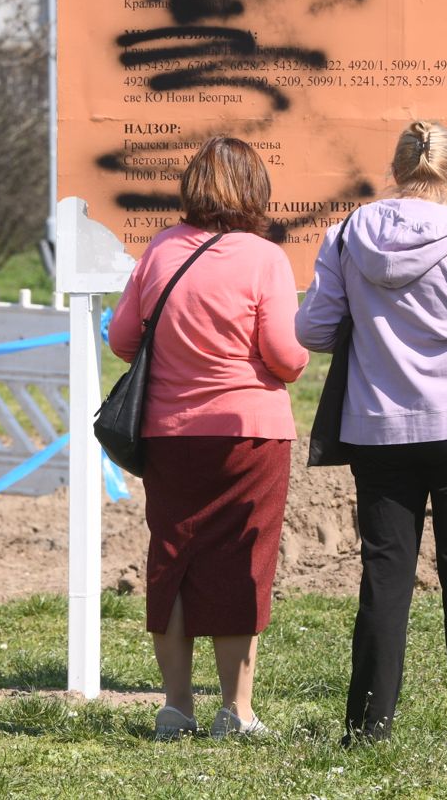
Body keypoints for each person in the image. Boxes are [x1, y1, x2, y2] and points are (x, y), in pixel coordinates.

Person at [295, 120, 447, 750]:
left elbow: (314, 332)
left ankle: (367, 729)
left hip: (376, 428)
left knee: (384, 576)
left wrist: (369, 324)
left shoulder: (346, 236)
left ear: (396, 170)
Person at [107, 135, 308, 741]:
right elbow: (286, 358)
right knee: (242, 564)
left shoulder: (160, 250)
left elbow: (121, 340)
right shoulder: (265, 257)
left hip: (169, 434)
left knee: (172, 556)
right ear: (254, 190)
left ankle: (175, 707)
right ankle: (236, 711)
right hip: (250, 436)